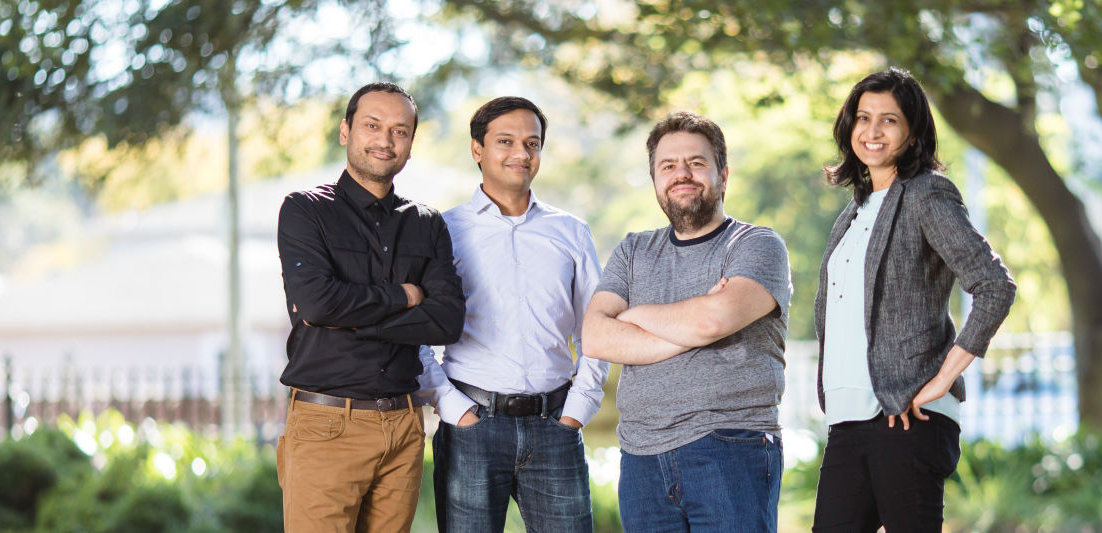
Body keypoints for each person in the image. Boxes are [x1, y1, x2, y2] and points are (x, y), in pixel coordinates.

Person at [810, 67, 1017, 532]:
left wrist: (942, 379)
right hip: (848, 421)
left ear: (913, 131)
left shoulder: (927, 193)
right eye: (863, 118)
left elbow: (994, 286)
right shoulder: (853, 213)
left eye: (889, 120)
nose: (873, 131)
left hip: (905, 418)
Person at [582, 111, 792, 533]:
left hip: (730, 446)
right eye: (668, 165)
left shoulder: (757, 245)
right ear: (656, 179)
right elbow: (595, 336)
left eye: (696, 163)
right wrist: (691, 325)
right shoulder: (633, 251)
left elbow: (713, 320)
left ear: (723, 174)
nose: (682, 174)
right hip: (641, 457)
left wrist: (635, 316)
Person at [275, 82, 465, 533]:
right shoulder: (305, 210)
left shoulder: (427, 223)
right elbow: (318, 303)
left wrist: (353, 319)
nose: (385, 140)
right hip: (326, 424)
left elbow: (447, 319)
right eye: (372, 126)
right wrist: (403, 296)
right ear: (346, 132)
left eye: (400, 131)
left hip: (403, 425)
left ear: (411, 145)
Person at [417, 96, 608, 532]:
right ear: (477, 149)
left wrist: (577, 409)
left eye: (532, 143)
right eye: (506, 141)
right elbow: (416, 334)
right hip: (471, 428)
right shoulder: (442, 231)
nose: (521, 154)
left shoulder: (571, 232)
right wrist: (452, 408)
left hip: (556, 425)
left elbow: (596, 328)